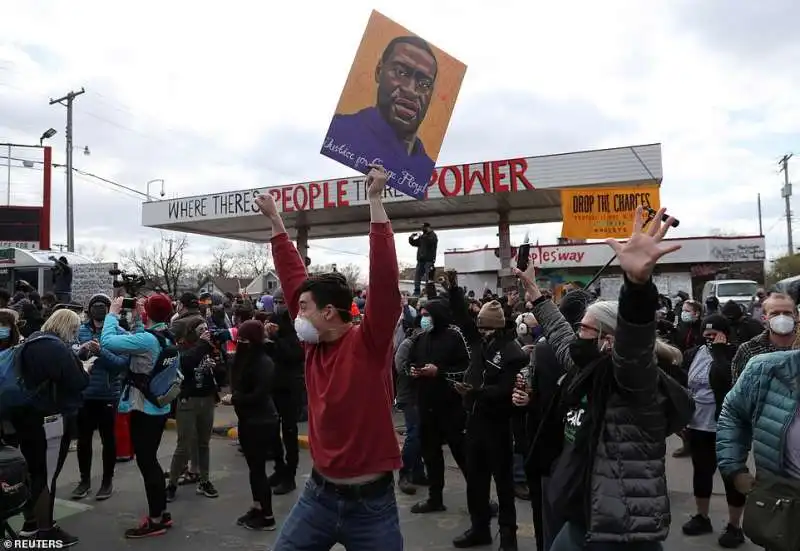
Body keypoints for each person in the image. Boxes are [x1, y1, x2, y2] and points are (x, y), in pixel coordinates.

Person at [515, 206, 691, 550]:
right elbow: (560, 335)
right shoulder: (589, 369)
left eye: (586, 329)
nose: (578, 335)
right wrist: (535, 293)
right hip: (584, 517)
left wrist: (637, 287)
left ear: (609, 340)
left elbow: (636, 345)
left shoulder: (633, 381)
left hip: (620, 527)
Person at [256, 164, 403, 550]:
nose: (296, 313)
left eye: (304, 308)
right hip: (317, 499)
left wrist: (375, 202)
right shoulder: (312, 345)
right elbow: (292, 278)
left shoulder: (369, 344)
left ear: (329, 314)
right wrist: (275, 221)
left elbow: (386, 282)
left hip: (372, 507)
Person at [447, 276, 528, 550]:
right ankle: (479, 529)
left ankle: (508, 538)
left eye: (485, 328)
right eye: (479, 327)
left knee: (504, 486)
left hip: (499, 426)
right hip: (475, 424)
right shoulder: (480, 342)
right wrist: (454, 290)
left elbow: (506, 390)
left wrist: (474, 392)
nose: (480, 331)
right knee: (476, 483)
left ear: (496, 327)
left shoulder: (513, 352)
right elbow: (462, 319)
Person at [8, 309, 89, 546]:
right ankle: (46, 529)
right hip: (50, 419)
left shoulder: (32, 340)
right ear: (67, 327)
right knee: (46, 474)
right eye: (74, 330)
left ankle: (31, 523)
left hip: (26, 416)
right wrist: (86, 367)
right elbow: (78, 382)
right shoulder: (57, 348)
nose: (75, 334)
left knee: (33, 470)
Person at [322, 36, 437, 198]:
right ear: (378, 71)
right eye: (401, 72)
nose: (411, 90)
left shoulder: (427, 169)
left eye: (424, 84)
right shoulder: (341, 132)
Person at [100, 295, 175, 538]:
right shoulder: (166, 335)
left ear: (149, 313)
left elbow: (108, 341)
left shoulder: (147, 341)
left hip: (144, 408)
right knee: (151, 459)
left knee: (147, 462)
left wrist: (112, 313)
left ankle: (155, 521)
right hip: (160, 406)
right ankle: (162, 512)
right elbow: (144, 339)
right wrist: (140, 319)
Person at [678, 315, 745, 548]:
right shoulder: (693, 354)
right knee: (702, 472)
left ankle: (735, 526)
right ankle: (702, 516)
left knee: (731, 476)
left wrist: (719, 351)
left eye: (714, 335)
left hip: (726, 426)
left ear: (725, 335)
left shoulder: (736, 354)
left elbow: (725, 380)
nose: (709, 339)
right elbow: (683, 386)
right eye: (705, 335)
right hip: (698, 425)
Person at [72, 294, 129, 501]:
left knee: (108, 440)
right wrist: (83, 351)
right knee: (84, 440)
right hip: (85, 393)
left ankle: (107, 481)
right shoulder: (80, 330)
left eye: (102, 306)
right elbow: (71, 356)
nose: (98, 310)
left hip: (108, 394)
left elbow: (122, 364)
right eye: (94, 306)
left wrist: (101, 351)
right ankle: (84, 480)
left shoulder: (119, 333)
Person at [166, 292, 220, 501]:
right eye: (198, 328)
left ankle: (203, 479)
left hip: (206, 393)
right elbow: (185, 363)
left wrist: (215, 363)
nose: (203, 330)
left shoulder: (205, 346)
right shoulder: (182, 349)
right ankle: (171, 484)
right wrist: (202, 345)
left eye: (203, 327)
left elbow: (220, 367)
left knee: (203, 442)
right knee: (184, 443)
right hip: (188, 394)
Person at [231, 319, 280, 531]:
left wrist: (235, 398)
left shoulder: (263, 362)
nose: (239, 343)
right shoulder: (249, 359)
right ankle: (258, 506)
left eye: (243, 339)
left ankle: (267, 516)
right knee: (254, 469)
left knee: (258, 470)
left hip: (260, 421)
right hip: (249, 420)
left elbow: (259, 394)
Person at [264, 289, 305, 495]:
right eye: (277, 301)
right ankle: (279, 469)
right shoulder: (273, 319)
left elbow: (294, 355)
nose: (279, 304)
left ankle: (290, 474)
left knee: (289, 431)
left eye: (282, 301)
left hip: (290, 385)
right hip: (273, 383)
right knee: (272, 430)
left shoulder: (298, 325)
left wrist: (276, 337)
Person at [731, 292, 797, 383]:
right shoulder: (749, 349)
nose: (782, 318)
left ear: (796, 316)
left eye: (787, 313)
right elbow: (739, 389)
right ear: (764, 318)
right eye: (775, 314)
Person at [409, 223, 438, 296]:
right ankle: (417, 291)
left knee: (428, 277)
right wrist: (411, 237)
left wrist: (423, 237)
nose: (422, 229)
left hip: (429, 260)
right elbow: (414, 243)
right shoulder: (423, 237)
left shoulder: (433, 236)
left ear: (428, 227)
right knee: (417, 276)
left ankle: (428, 291)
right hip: (420, 260)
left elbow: (430, 242)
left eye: (424, 228)